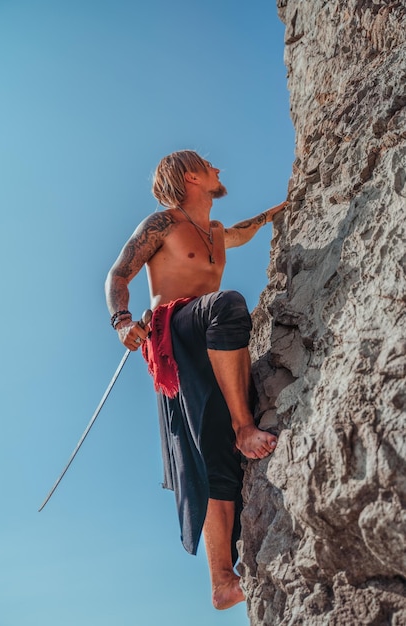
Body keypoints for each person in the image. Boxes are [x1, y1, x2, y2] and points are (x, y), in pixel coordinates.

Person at [105, 150, 287, 610]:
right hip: (174, 331)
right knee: (228, 304)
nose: (219, 169)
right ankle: (246, 428)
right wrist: (122, 320)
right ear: (190, 175)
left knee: (215, 456)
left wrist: (284, 206)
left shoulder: (217, 233)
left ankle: (223, 583)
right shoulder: (161, 224)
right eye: (209, 165)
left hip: (210, 344)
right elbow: (119, 273)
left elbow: (244, 228)